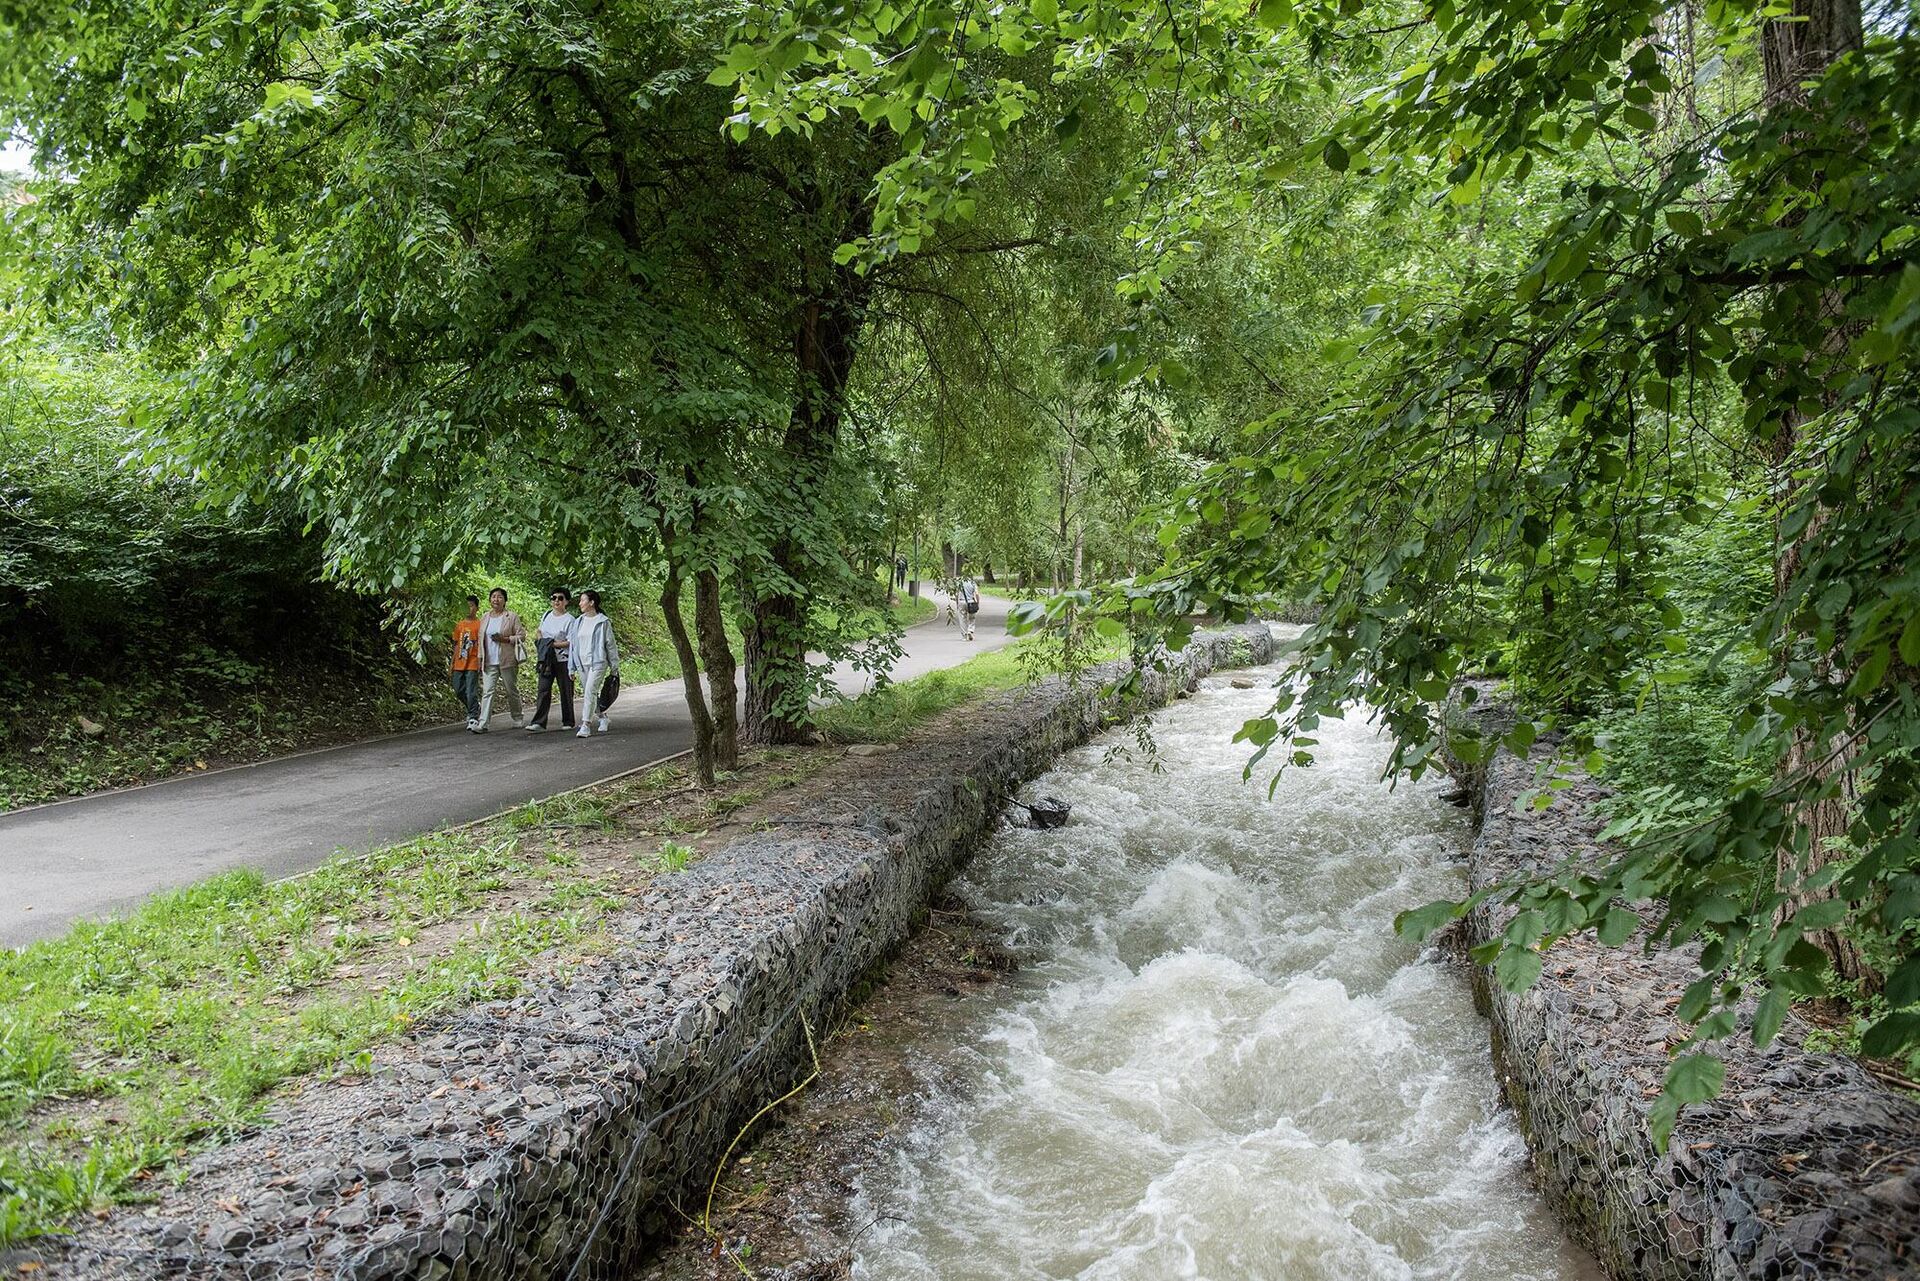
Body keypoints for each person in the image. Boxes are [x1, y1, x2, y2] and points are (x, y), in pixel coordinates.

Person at [473, 587, 527, 732]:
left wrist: (505, 639)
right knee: (487, 691)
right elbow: (480, 639)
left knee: (511, 690)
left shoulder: (511, 616)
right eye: (493, 597)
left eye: (499, 597)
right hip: (489, 660)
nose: (496, 599)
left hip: (507, 660)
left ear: (505, 600)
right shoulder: (485, 617)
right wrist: (479, 658)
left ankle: (517, 717)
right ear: (490, 600)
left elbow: (521, 636)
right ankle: (483, 723)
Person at [569, 589, 620, 738]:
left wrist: (614, 666)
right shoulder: (578, 621)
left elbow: (610, 645)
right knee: (589, 692)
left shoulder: (602, 622)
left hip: (597, 662)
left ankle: (585, 725)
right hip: (581, 662)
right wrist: (571, 667)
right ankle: (603, 717)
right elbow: (573, 645)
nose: (580, 603)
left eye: (583, 600)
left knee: (590, 691)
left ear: (592, 603)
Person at [527, 588, 577, 732]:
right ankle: (539, 722)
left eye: (560, 598)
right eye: (553, 598)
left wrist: (551, 644)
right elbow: (539, 631)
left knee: (566, 690)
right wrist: (542, 641)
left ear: (566, 601)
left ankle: (568, 720)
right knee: (543, 689)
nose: (556, 601)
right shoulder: (546, 615)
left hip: (563, 659)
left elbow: (570, 642)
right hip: (546, 658)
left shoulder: (570, 620)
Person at [449, 595, 483, 730]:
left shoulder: (480, 625)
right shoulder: (459, 625)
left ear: (477, 608)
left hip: (473, 661)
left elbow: (482, 644)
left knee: (471, 690)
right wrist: (452, 663)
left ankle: (473, 716)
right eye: (466, 606)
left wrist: (481, 661)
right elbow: (456, 644)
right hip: (459, 661)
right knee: (458, 689)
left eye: (471, 606)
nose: (469, 609)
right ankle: (474, 706)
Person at [958, 573, 980, 641]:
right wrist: (977, 602)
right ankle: (970, 630)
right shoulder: (973, 583)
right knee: (972, 618)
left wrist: (957, 603)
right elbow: (976, 594)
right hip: (971, 602)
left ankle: (964, 636)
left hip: (962, 602)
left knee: (962, 619)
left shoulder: (960, 583)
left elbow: (956, 594)